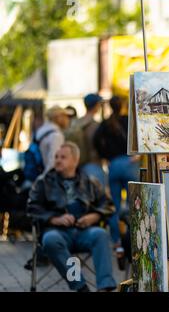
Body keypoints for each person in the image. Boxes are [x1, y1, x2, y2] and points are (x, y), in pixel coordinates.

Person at [27, 142, 116, 292]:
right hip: (57, 232)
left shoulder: (89, 181)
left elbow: (108, 205)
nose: (58, 160)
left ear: (75, 161)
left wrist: (94, 217)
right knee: (50, 240)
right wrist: (54, 219)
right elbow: (32, 208)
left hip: (84, 231)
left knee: (100, 234)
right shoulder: (43, 182)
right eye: (56, 157)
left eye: (63, 157)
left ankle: (105, 286)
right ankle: (80, 286)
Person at [94, 96, 139, 258]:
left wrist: (105, 156)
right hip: (130, 163)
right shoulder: (129, 120)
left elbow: (96, 140)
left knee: (114, 205)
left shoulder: (106, 123)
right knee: (134, 203)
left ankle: (117, 242)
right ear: (123, 105)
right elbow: (140, 138)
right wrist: (137, 155)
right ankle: (132, 240)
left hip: (113, 165)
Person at [65, 94, 105, 187]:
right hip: (94, 165)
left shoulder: (76, 123)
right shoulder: (96, 125)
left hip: (78, 167)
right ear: (96, 106)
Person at [35, 106, 71, 173]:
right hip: (47, 176)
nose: (68, 119)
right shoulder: (56, 135)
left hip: (39, 172)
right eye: (65, 116)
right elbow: (54, 161)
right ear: (58, 118)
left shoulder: (42, 130)